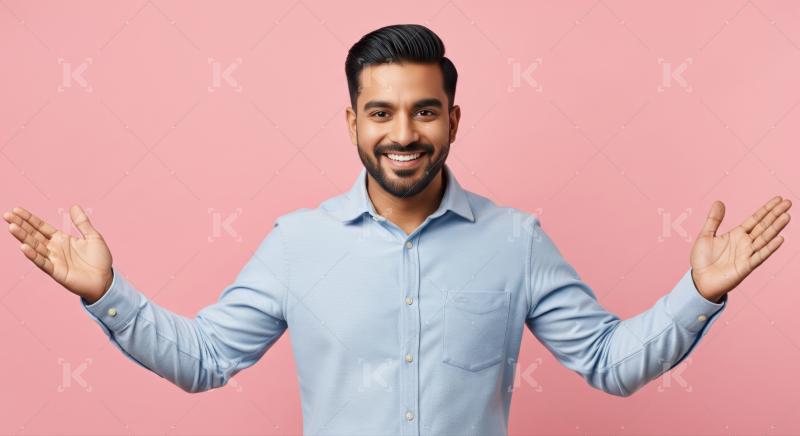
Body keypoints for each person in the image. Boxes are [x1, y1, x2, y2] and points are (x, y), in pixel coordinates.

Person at [3, 24, 792, 436]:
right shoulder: (296, 243)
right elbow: (206, 359)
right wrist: (107, 293)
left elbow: (608, 362)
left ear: (453, 118)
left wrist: (698, 293)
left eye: (423, 110)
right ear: (353, 122)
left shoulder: (516, 240)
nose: (403, 132)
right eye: (381, 113)